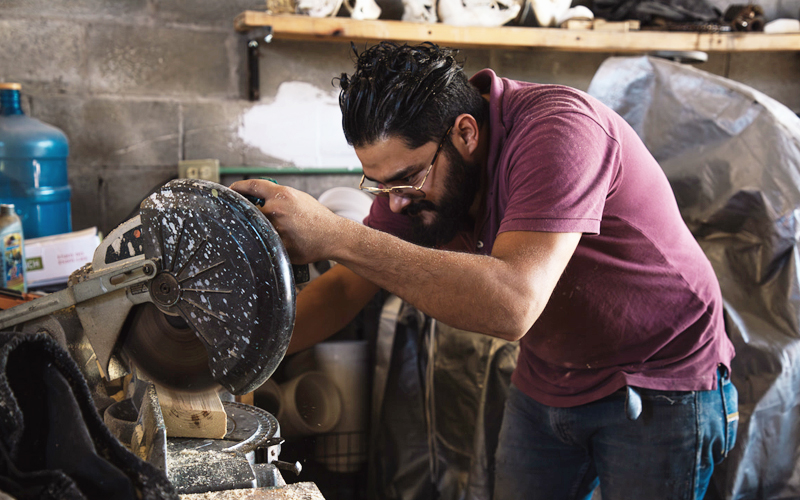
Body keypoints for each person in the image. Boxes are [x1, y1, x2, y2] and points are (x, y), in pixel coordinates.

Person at [231, 42, 737, 499]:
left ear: (466, 133)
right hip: (549, 376)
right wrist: (232, 356)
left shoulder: (558, 130)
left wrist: (336, 233)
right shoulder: (408, 182)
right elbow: (347, 285)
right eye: (380, 185)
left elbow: (512, 303)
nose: (397, 200)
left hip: (658, 377)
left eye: (407, 179)